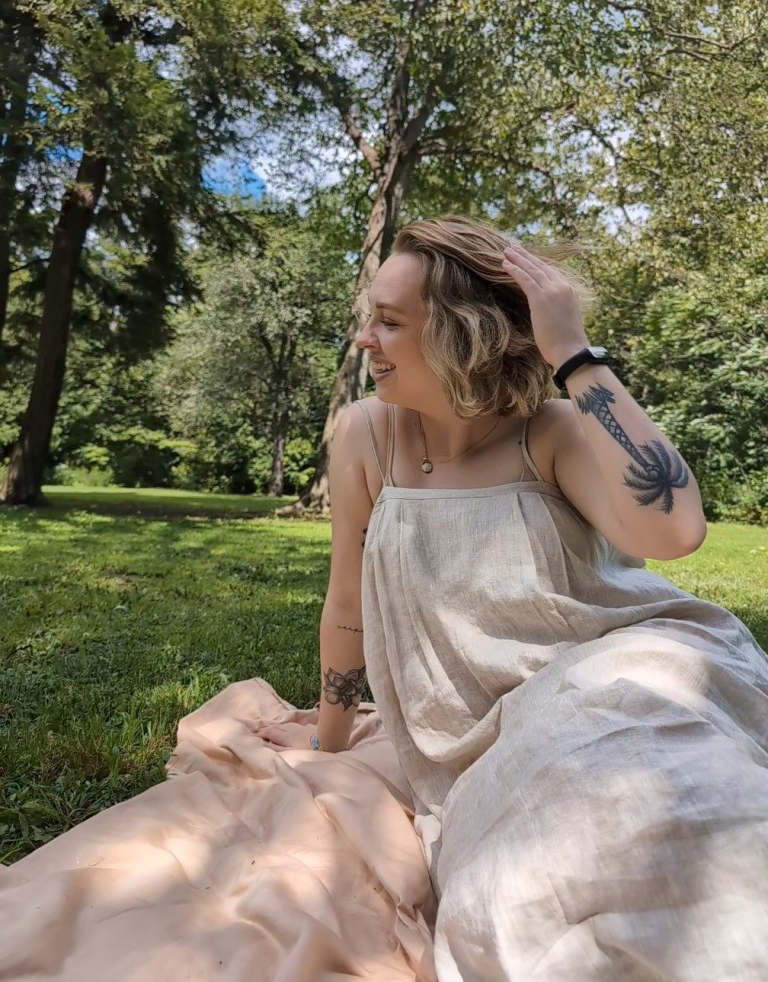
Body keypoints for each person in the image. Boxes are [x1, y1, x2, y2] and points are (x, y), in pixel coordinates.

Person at [259, 214, 768, 981]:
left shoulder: (550, 432)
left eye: (389, 321)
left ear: (461, 334)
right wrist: (328, 748)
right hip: (487, 744)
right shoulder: (367, 435)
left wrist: (574, 354)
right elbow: (346, 605)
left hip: (617, 681)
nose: (364, 339)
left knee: (682, 812)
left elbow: (675, 529)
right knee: (525, 888)